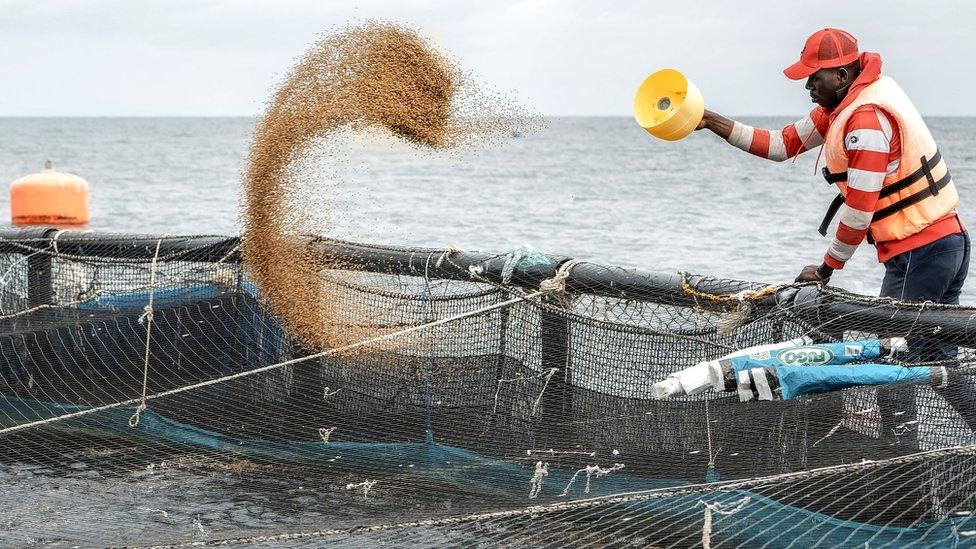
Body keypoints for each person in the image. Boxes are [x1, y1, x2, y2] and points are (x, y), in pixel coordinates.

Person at [696, 28, 969, 359]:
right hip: (946, 244)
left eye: (814, 78)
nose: (808, 86)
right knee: (937, 359)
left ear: (841, 75)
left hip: (920, 252)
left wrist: (826, 268)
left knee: (892, 362)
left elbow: (859, 210)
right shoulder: (846, 102)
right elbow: (781, 144)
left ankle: (899, 415)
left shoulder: (865, 120)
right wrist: (710, 120)